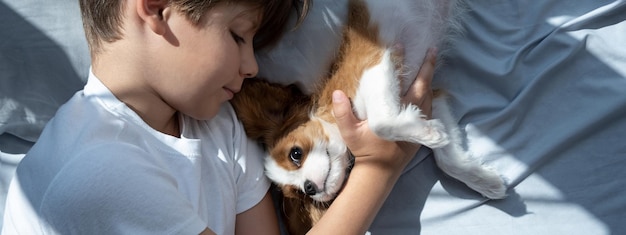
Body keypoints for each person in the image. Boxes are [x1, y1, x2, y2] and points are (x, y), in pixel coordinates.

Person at [1, 0, 437, 234]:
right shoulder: (97, 171)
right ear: (155, 9)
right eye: (237, 35)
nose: (252, 67)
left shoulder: (220, 125)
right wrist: (382, 166)